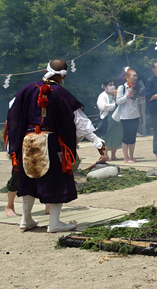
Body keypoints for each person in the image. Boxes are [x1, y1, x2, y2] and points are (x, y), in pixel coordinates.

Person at [7, 59, 107, 233]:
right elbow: (81, 122)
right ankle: (54, 223)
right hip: (50, 142)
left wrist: (13, 140)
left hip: (27, 140)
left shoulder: (28, 89)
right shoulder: (61, 94)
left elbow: (12, 108)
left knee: (28, 178)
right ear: (64, 76)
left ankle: (26, 219)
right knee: (56, 179)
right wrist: (97, 142)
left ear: (46, 69)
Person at [116, 68, 143, 163]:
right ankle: (126, 157)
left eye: (136, 76)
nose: (135, 77)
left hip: (135, 114)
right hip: (126, 115)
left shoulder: (136, 87)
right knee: (126, 136)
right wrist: (127, 95)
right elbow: (118, 101)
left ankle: (131, 156)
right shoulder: (122, 88)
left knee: (133, 136)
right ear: (127, 77)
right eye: (133, 75)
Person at [96, 79, 122, 161]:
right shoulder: (102, 96)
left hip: (117, 117)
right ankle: (105, 155)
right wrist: (114, 105)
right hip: (107, 118)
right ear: (105, 87)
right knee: (106, 136)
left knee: (116, 136)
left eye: (113, 84)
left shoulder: (116, 95)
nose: (112, 86)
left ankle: (113, 155)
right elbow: (103, 106)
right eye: (110, 85)